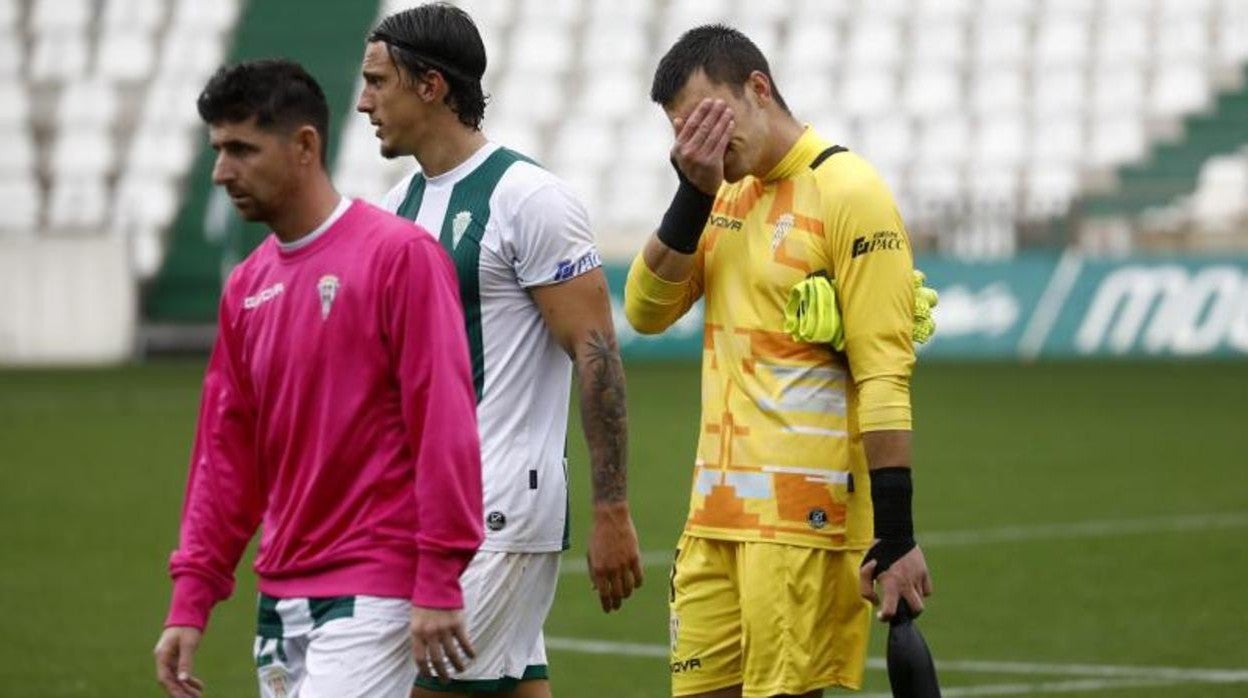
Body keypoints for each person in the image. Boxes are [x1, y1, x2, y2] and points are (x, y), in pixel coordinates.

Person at [152, 58, 484, 698]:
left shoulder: (399, 256)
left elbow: (444, 422)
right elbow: (225, 459)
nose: (222, 172)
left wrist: (440, 575)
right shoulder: (246, 287)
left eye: (242, 149)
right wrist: (190, 600)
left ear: (305, 145)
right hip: (279, 596)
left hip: (374, 590)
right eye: (218, 150)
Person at [624, 26, 935, 698]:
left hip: (801, 524)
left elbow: (885, 375)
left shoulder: (848, 191)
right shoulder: (722, 194)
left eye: (710, 118)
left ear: (757, 89)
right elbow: (645, 311)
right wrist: (691, 191)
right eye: (684, 131)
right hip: (712, 517)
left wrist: (898, 533)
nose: (700, 141)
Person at [354, 4, 642, 696]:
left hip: (501, 510)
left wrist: (612, 511)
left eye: (378, 81)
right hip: (429, 513)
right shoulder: (396, 210)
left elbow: (596, 353)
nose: (363, 101)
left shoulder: (530, 200)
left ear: (431, 86)